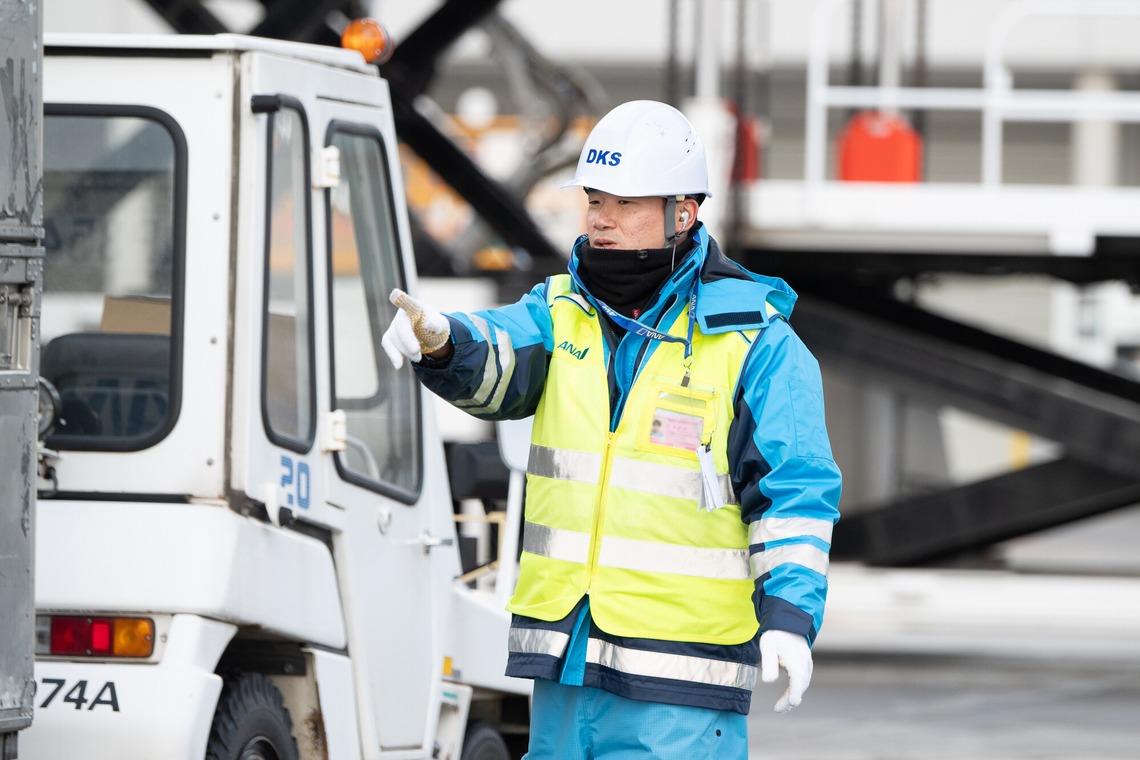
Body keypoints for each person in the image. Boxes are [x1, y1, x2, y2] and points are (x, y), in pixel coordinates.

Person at [382, 100, 842, 759]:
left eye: (624, 203)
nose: (600, 217)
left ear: (683, 213)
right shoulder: (560, 310)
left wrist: (791, 619)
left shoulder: (756, 343)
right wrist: (441, 340)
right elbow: (497, 355)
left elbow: (795, 492)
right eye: (594, 198)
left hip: (680, 687)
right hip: (565, 668)